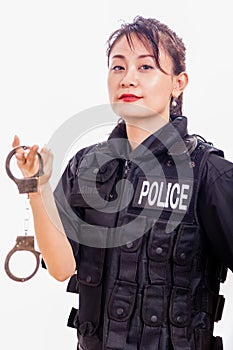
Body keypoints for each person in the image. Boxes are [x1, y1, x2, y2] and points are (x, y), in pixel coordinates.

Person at [12, 15, 233, 350]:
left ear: (178, 82)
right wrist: (37, 188)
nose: (128, 79)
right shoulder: (87, 167)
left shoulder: (208, 173)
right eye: (118, 67)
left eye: (146, 67)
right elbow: (60, 267)